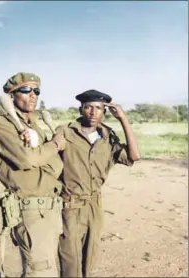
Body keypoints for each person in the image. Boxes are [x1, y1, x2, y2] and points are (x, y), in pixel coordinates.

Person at [0, 72, 66, 277]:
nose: (33, 95)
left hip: (49, 205)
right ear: (11, 95)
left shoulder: (33, 126)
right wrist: (55, 144)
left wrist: (45, 146)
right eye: (25, 90)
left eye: (36, 91)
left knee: (47, 266)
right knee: (39, 271)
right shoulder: (1, 124)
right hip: (30, 208)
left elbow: (51, 164)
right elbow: (28, 160)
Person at [57, 89, 141, 277]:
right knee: (69, 260)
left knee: (90, 257)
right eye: (89, 107)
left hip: (94, 205)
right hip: (70, 204)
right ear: (81, 109)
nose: (94, 112)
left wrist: (123, 119)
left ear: (105, 112)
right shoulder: (65, 132)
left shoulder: (108, 137)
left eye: (99, 108)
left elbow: (134, 156)